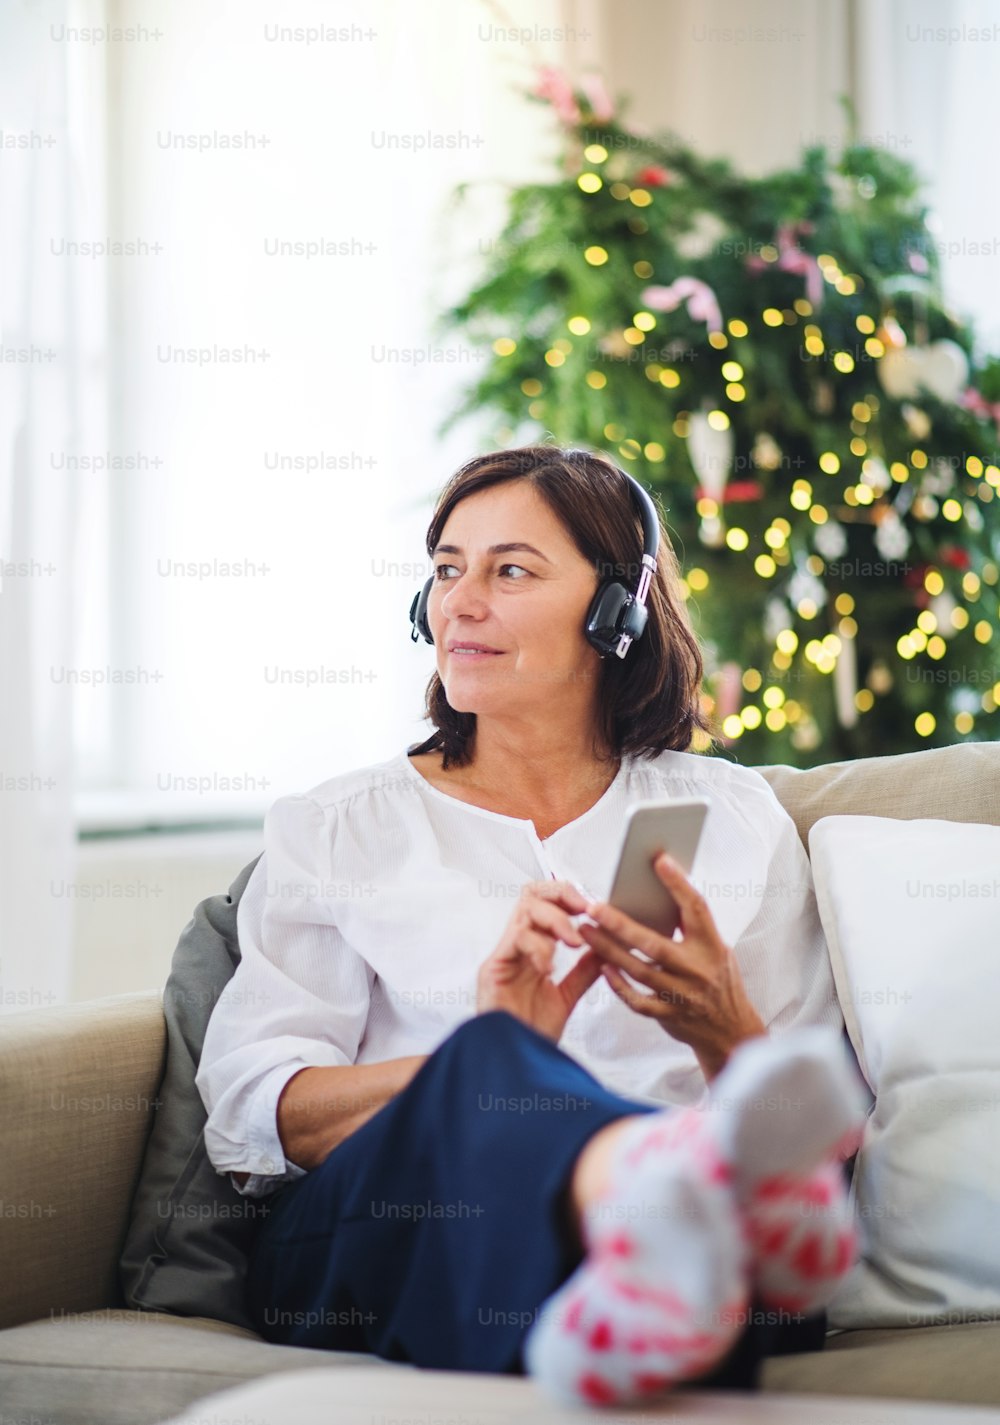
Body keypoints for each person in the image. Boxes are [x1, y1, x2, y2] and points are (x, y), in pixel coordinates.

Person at [195, 444, 864, 1405]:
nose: (459, 603)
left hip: (665, 1270)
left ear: (614, 611)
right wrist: (488, 1056)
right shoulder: (340, 829)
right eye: (446, 570)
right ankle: (650, 1186)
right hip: (386, 1233)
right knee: (490, 1067)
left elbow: (812, 1131)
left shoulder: (731, 817)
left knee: (709, 1219)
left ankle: (645, 1267)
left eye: (509, 570)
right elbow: (253, 1119)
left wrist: (725, 1027)